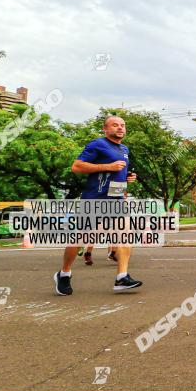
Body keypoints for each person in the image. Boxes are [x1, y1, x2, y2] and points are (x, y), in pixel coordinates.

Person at [54, 115, 142, 295]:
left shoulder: (124, 149)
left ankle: (122, 277)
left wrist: (127, 179)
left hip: (116, 200)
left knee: (126, 235)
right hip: (94, 200)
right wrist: (108, 167)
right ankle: (64, 273)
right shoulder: (97, 144)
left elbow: (117, 175)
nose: (120, 128)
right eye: (115, 125)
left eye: (123, 125)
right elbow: (77, 167)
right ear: (105, 128)